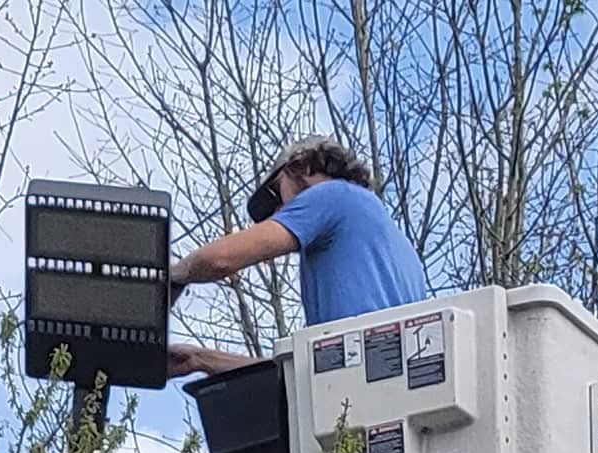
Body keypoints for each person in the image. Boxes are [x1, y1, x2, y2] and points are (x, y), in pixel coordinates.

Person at [167, 136, 429, 378]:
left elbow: (220, 259)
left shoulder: (333, 195)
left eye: (275, 192)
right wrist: (201, 359)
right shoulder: (394, 250)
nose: (279, 211)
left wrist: (175, 275)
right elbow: (300, 382)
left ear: (302, 165)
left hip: (357, 393)